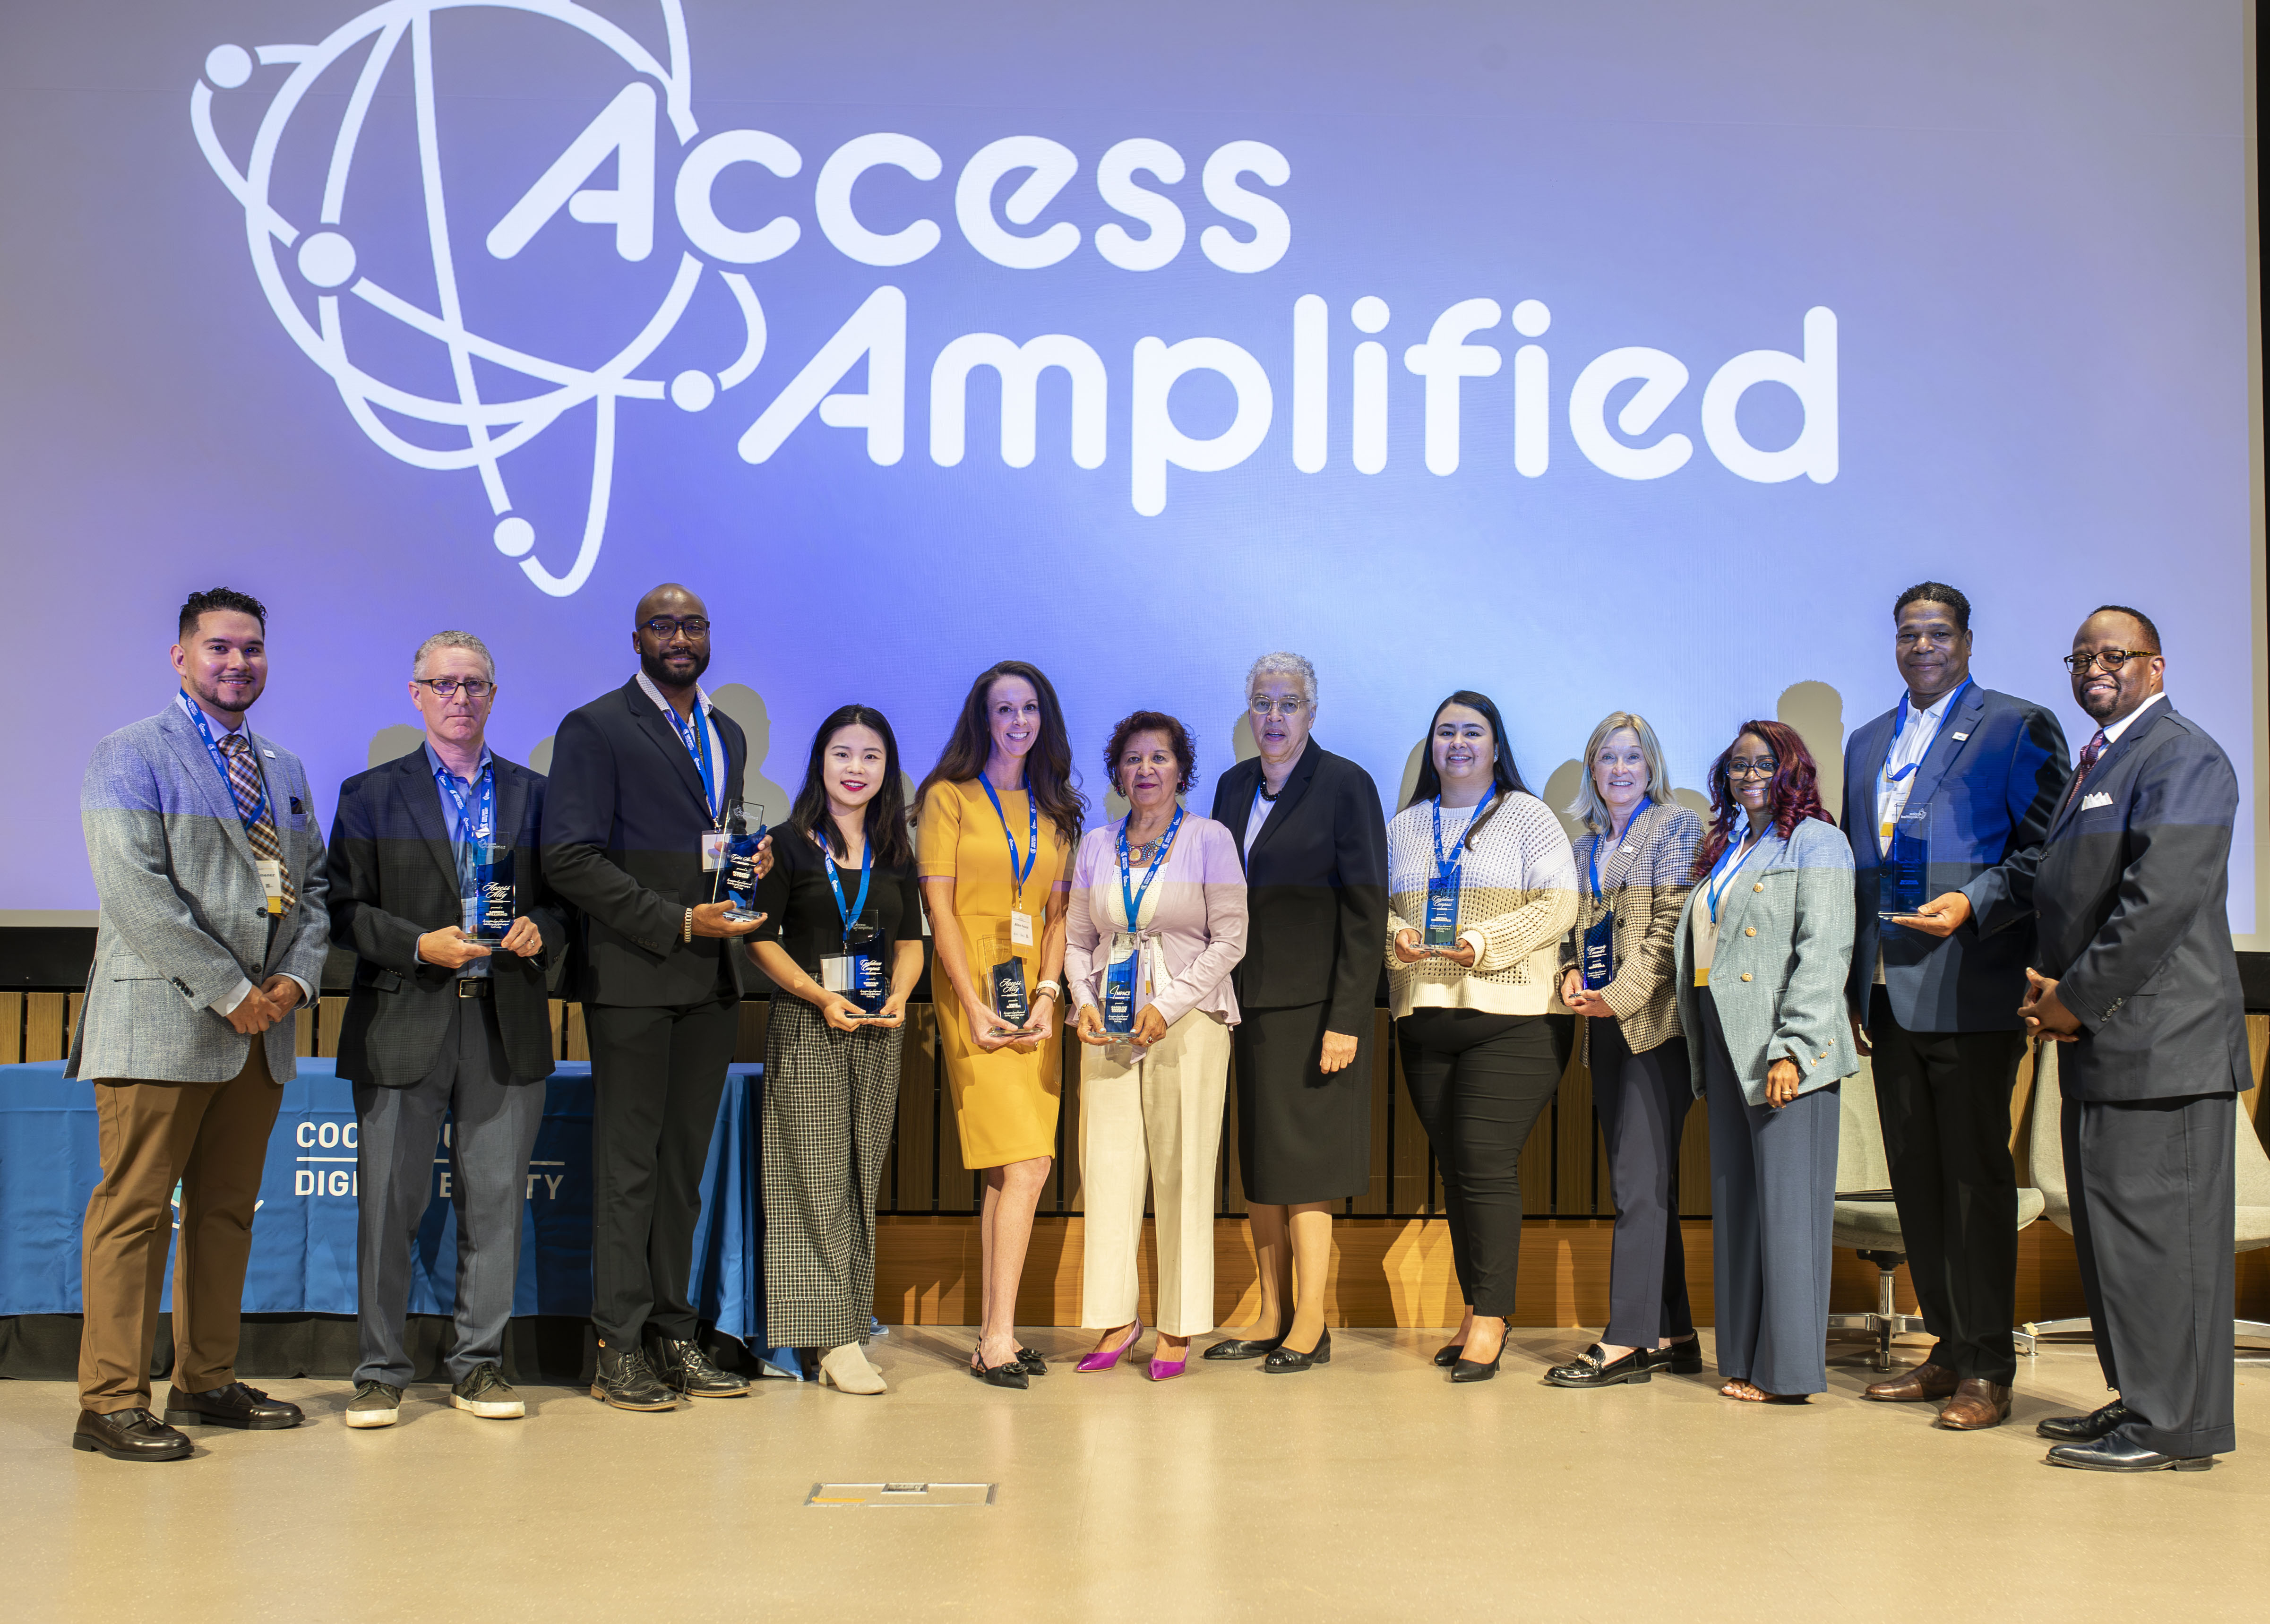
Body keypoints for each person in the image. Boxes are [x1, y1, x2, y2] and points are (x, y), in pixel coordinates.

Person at [69, 588, 329, 1461]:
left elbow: (313, 892)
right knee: (134, 1213)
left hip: (263, 1031)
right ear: (180, 657)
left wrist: (292, 981)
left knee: (225, 1213)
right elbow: (135, 893)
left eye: (252, 648)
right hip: (164, 1021)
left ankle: (205, 1378)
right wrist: (229, 989)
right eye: (219, 647)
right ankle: (108, 1402)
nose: (237, 662)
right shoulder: (130, 754)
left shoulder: (284, 770)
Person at [2016, 606, 2250, 1472]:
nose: (2094, 668)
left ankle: (2173, 1426)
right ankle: (2138, 1399)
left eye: (2113, 654)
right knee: (2119, 1242)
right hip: (2109, 1044)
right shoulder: (2105, 757)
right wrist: (2052, 982)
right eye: (2081, 656)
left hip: (2165, 1047)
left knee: (2166, 1244)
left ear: (2157, 665)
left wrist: (2074, 998)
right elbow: (2074, 890)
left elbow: (2158, 905)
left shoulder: (2183, 754)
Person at [1839, 583, 2070, 1430]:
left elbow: (2045, 851)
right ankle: (1944, 1348)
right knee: (1919, 1181)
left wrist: (1974, 901)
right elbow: (1865, 870)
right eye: (1909, 633)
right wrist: (1851, 980)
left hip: (1973, 984)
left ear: (1967, 641)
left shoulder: (2017, 724)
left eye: (1938, 633)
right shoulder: (1867, 741)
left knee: (1975, 1183)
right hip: (1888, 990)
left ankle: (1989, 1366)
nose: (1923, 646)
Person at [326, 631, 568, 1429]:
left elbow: (568, 903)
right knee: (389, 1205)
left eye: (474, 685)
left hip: (505, 1019)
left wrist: (542, 928)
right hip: (405, 1016)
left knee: (495, 1205)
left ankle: (480, 1367)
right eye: (444, 684)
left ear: (494, 696)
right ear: (416, 694)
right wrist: (416, 943)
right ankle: (379, 1371)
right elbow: (343, 911)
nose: (460, 697)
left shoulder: (536, 794)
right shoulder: (369, 793)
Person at [540, 584, 771, 1411]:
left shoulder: (726, 731)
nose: (681, 637)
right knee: (628, 1172)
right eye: (664, 625)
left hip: (713, 981)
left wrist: (742, 868)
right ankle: (620, 1345)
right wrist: (675, 919)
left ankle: (675, 1334)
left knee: (682, 1173)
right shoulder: (595, 727)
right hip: (635, 978)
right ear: (635, 637)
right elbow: (567, 855)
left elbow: (706, 838)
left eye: (695, 625)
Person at [1205, 653, 1389, 1373]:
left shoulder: (1346, 785)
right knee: (1263, 1165)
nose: (1274, 717)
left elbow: (1366, 910)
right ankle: (1270, 1309)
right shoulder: (1231, 786)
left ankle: (1311, 1319)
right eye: (1262, 703)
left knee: (1307, 1167)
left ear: (1312, 713)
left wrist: (1347, 1016)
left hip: (1317, 1011)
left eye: (1288, 704)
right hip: (1243, 1009)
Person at [1387, 691, 1576, 1383]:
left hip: (1516, 1019)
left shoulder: (1528, 817)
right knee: (1456, 1169)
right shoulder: (1406, 825)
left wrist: (1480, 941)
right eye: (1446, 732)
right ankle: (1476, 1306)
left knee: (1483, 1160)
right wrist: (1396, 936)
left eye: (1473, 732)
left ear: (1496, 746)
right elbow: (1374, 909)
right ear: (1431, 746)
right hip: (1427, 1015)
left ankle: (1494, 1316)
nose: (1458, 743)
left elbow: (1559, 904)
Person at [1671, 721, 1856, 1403]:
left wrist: (1795, 1050)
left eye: (1763, 762)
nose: (1748, 774)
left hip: (1783, 1046)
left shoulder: (1819, 841)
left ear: (1792, 769)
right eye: (1738, 765)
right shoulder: (1731, 844)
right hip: (1724, 1034)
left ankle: (1790, 1372)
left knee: (1787, 1210)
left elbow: (1826, 950)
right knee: (1740, 1205)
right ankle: (1744, 1359)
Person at [749, 706, 925, 1397]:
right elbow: (758, 937)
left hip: (878, 1029)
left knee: (857, 1175)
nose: (856, 769)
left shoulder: (894, 849)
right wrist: (818, 994)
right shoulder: (786, 844)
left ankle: (851, 1317)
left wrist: (897, 999)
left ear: (888, 769)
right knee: (812, 1178)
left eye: (872, 756)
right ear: (820, 761)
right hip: (810, 1024)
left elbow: (911, 941)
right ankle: (829, 1338)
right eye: (843, 753)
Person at [1066, 712, 1247, 1380]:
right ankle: (1118, 1316)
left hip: (1189, 1021)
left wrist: (1167, 1008)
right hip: (1107, 1022)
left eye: (1160, 758)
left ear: (1181, 770)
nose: (1146, 769)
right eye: (1133, 758)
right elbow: (1077, 937)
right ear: (1118, 770)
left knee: (1183, 1172)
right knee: (1108, 1170)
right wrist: (1085, 1004)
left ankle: (1177, 1323)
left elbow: (1232, 938)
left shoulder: (1210, 839)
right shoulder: (1096, 844)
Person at [916, 661, 1081, 1388]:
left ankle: (995, 1334)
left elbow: (1058, 916)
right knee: (1027, 1164)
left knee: (1012, 1168)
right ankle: (997, 1335)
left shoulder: (1059, 812)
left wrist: (1049, 993)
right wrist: (971, 1001)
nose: (1019, 721)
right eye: (1004, 709)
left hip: (1033, 997)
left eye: (1030, 708)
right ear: (982, 719)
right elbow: (939, 909)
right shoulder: (946, 798)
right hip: (972, 992)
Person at [1546, 713, 1705, 1389]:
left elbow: (1671, 927)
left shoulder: (1675, 826)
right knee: (1647, 1183)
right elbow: (1571, 930)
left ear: (1652, 768)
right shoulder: (1584, 845)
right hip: (1601, 1027)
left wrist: (1621, 994)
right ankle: (1676, 1333)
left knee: (1638, 1185)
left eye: (1632, 758)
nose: (1619, 769)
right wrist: (1570, 975)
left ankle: (1627, 1341)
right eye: (1606, 757)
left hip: (1653, 1028)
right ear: (1592, 769)